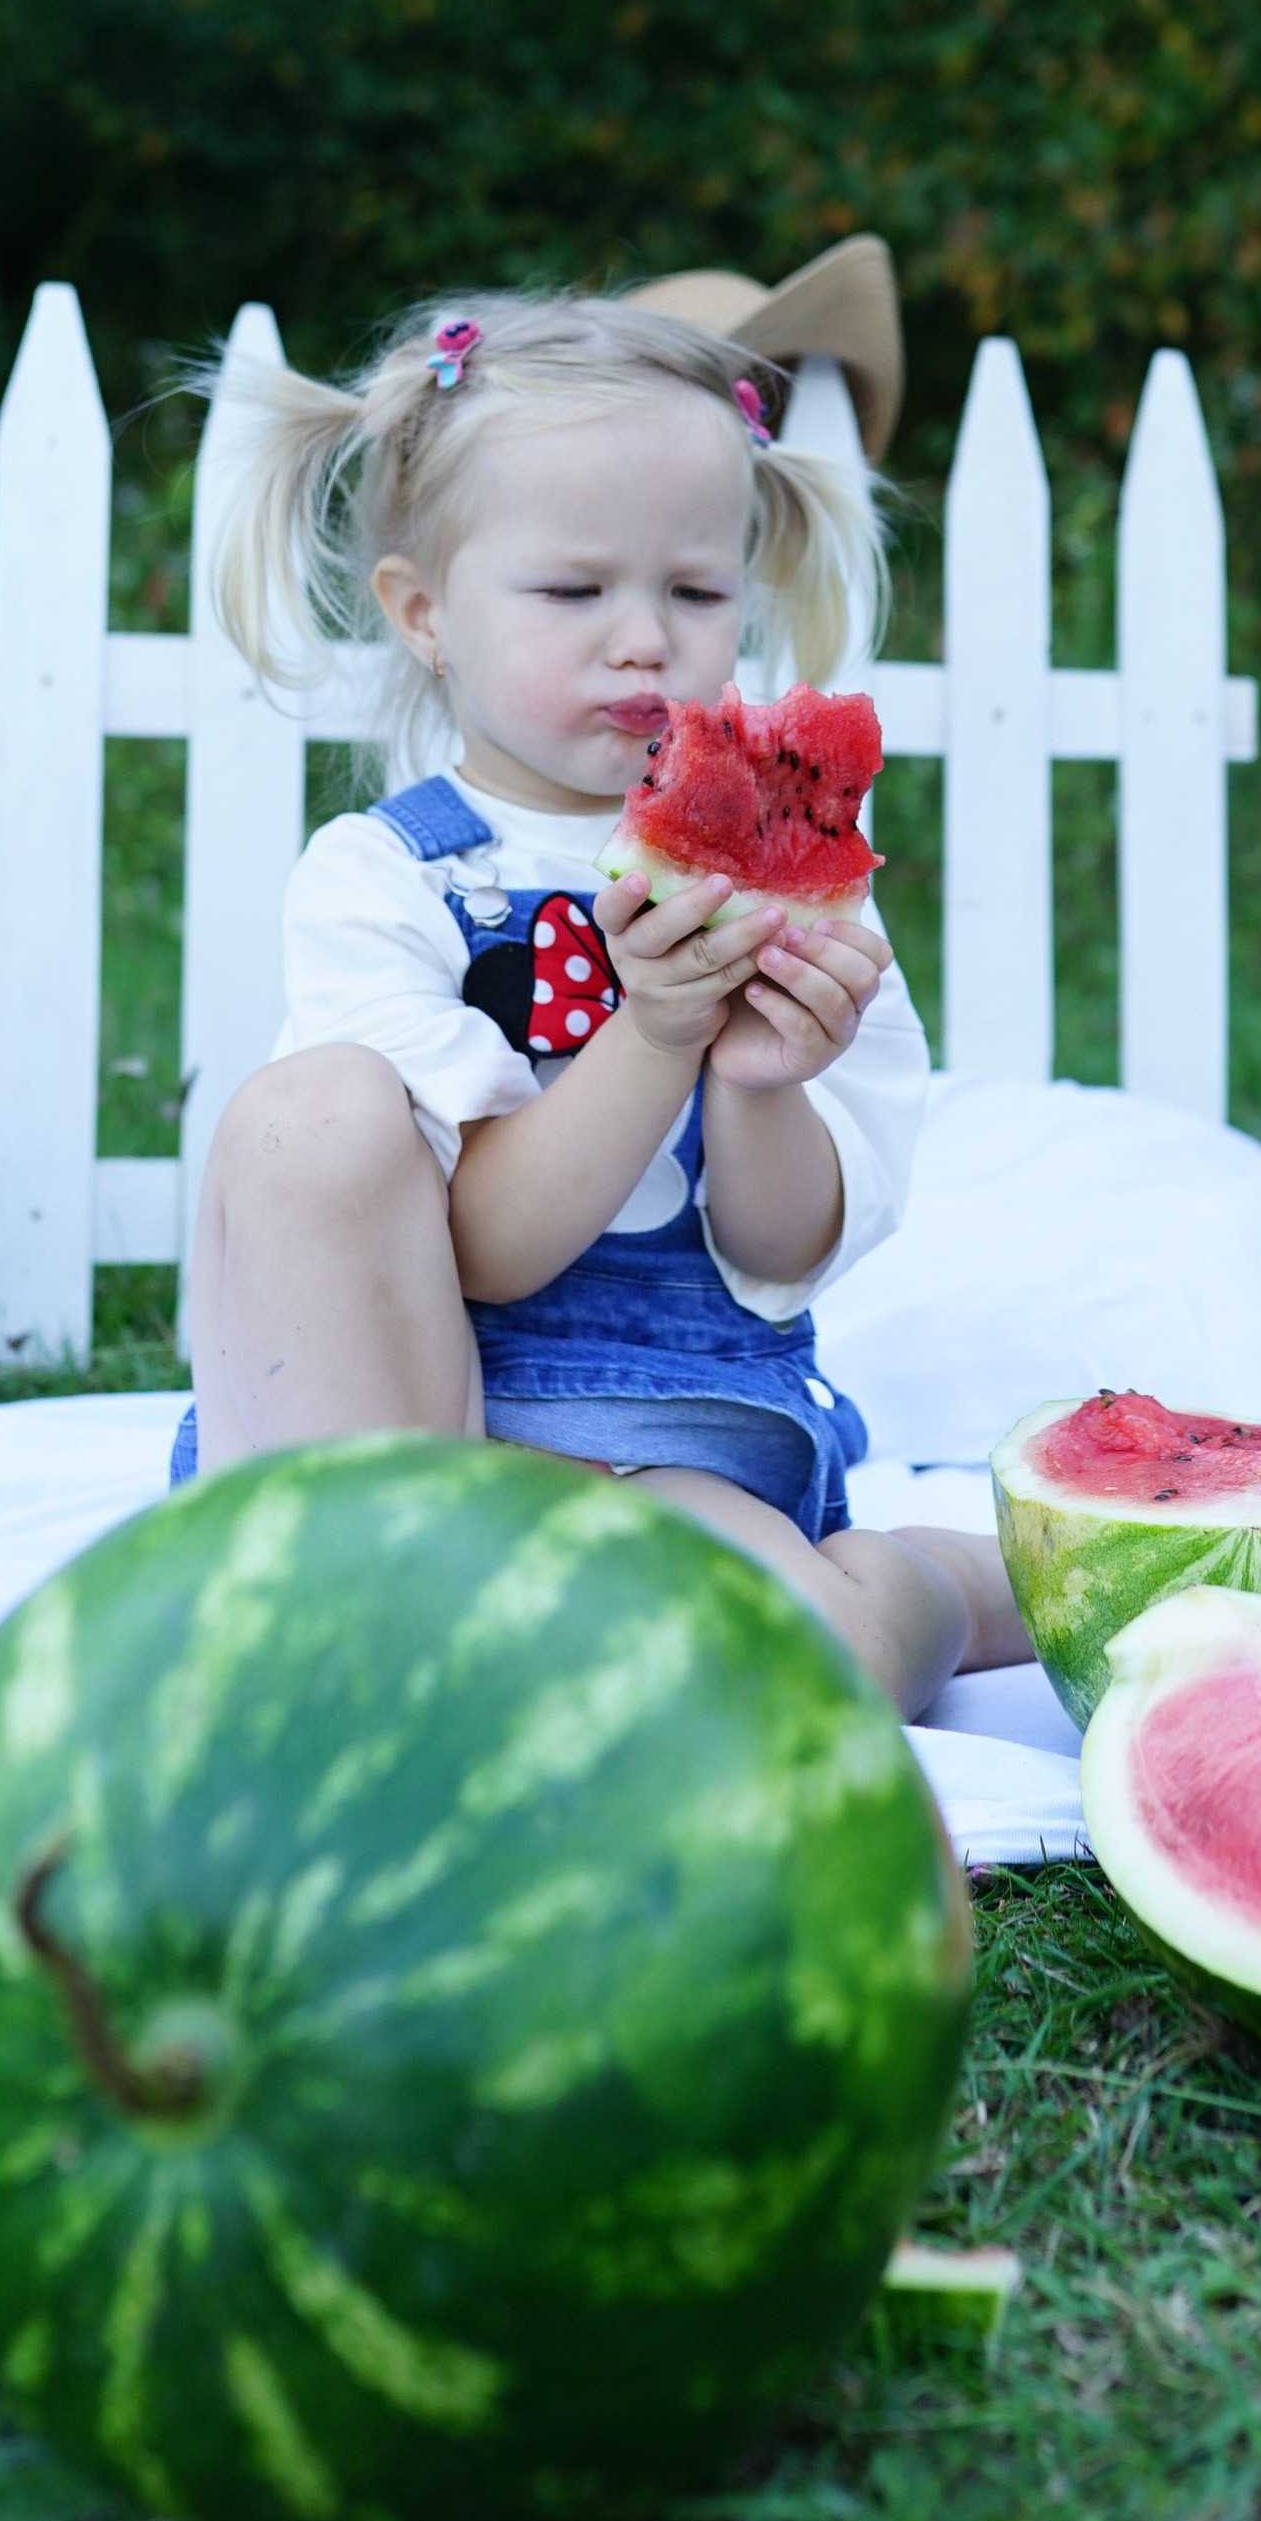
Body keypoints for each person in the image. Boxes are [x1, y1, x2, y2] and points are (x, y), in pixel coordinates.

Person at [179, 287, 1030, 1721]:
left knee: (802, 1675)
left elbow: (786, 1250)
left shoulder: (791, 877)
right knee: (304, 1111)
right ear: (424, 614)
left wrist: (760, 1079)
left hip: (674, 1446)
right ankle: (377, 1611)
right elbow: (487, 1253)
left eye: (695, 595)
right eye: (575, 593)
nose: (645, 642)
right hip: (401, 1440)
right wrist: (653, 1037)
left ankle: (928, 1589)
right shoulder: (377, 880)